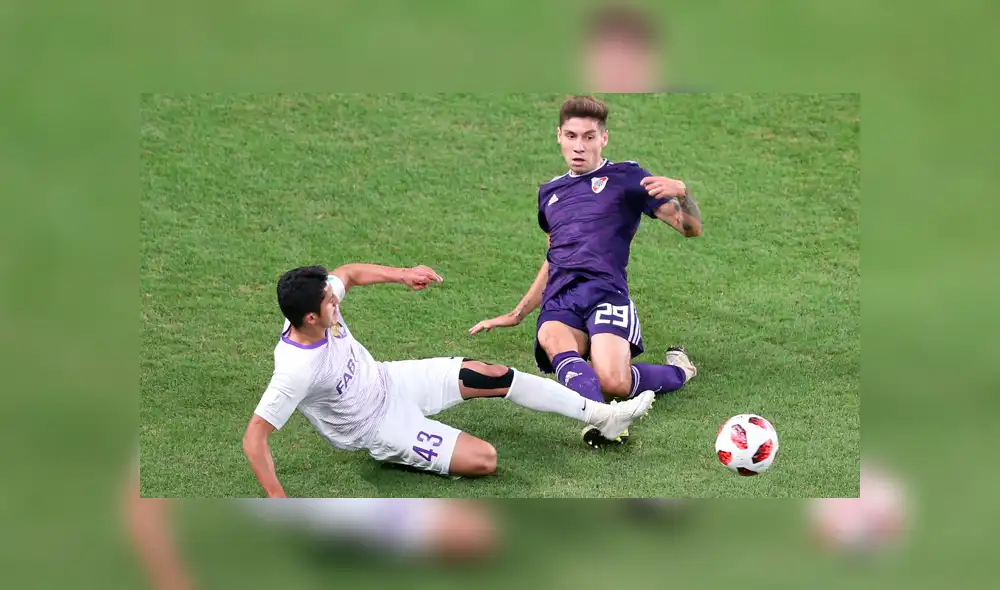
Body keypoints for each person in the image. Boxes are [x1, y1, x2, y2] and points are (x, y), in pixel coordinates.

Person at [242, 263, 655, 495]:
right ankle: (399, 455)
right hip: (381, 427)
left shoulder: (315, 308)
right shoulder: (295, 370)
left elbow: (347, 273)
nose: (337, 302)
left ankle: (603, 415)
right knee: (485, 459)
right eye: (329, 303)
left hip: (392, 380)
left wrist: (403, 274)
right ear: (309, 318)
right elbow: (254, 438)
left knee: (493, 375)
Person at [469, 95, 701, 448]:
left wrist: (683, 194)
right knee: (551, 335)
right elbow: (554, 257)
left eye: (589, 137)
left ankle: (680, 371)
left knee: (615, 383)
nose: (580, 146)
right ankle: (604, 420)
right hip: (561, 298)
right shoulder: (549, 194)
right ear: (559, 136)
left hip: (606, 292)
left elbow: (690, 229)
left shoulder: (628, 177)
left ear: (603, 138)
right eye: (572, 136)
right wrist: (518, 313)